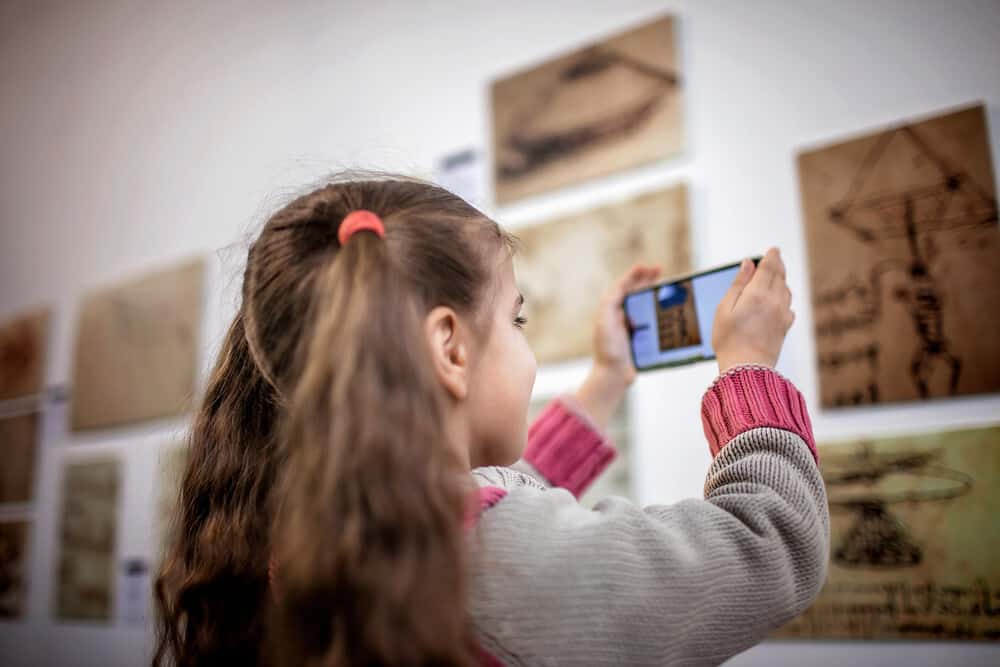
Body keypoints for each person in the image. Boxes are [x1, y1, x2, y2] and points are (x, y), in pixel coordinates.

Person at [154, 173, 829, 667]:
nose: (524, 342)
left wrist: (607, 377)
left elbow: (494, 496)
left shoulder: (317, 538)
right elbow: (772, 539)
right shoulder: (494, 562)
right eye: (516, 319)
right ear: (450, 345)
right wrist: (750, 366)